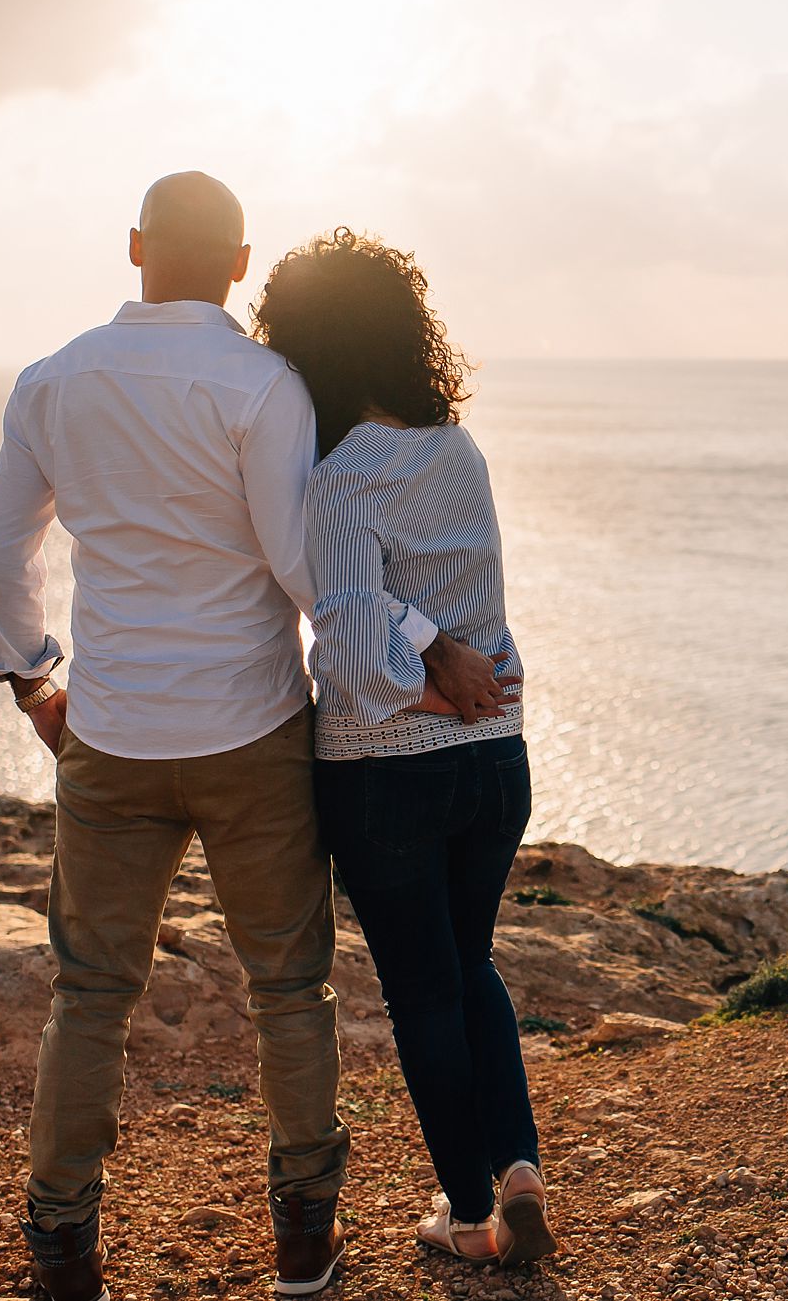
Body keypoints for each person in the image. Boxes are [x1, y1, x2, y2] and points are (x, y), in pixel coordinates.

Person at [0, 175, 513, 1301]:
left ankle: (65, 1241)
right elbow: (311, 566)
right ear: (236, 263)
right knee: (289, 990)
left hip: (110, 735)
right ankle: (305, 1243)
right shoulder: (264, 385)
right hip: (253, 732)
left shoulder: (52, 381)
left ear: (133, 248)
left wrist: (35, 688)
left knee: (89, 993)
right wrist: (428, 645)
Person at [251, 227, 556, 1268]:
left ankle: (467, 1214)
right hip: (493, 756)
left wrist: (422, 661)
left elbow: (351, 648)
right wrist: (454, 660)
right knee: (472, 966)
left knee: (424, 991)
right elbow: (452, 615)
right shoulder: (456, 447)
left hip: (388, 774)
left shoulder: (340, 478)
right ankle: (515, 1167)